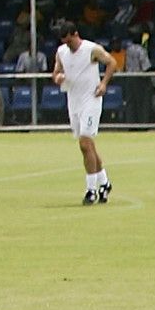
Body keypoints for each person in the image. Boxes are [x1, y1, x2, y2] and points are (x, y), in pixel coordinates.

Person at [51, 20, 116, 205]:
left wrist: (103, 83)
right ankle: (104, 182)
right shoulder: (62, 52)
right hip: (74, 102)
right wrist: (58, 77)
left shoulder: (91, 49)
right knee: (88, 146)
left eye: (69, 41)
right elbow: (55, 72)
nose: (67, 45)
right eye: (65, 42)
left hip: (91, 100)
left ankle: (91, 190)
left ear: (76, 34)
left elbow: (111, 62)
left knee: (85, 143)